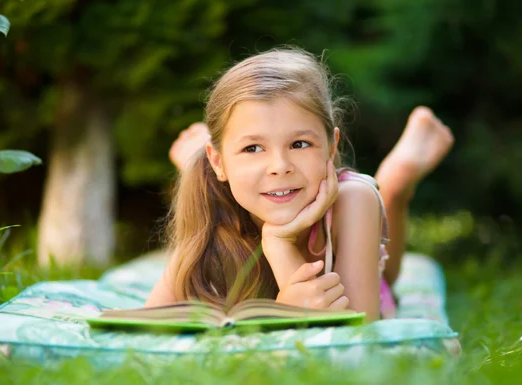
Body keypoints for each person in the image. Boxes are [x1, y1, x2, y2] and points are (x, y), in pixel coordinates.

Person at [145, 47, 454, 321]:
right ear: (217, 163)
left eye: (300, 144)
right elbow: (144, 323)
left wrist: (279, 244)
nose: (280, 167)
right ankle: (199, 157)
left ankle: (395, 184)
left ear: (332, 147)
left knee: (385, 267)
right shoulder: (209, 206)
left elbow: (360, 332)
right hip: (222, 178)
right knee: (203, 177)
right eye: (252, 148)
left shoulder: (354, 201)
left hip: (365, 266)